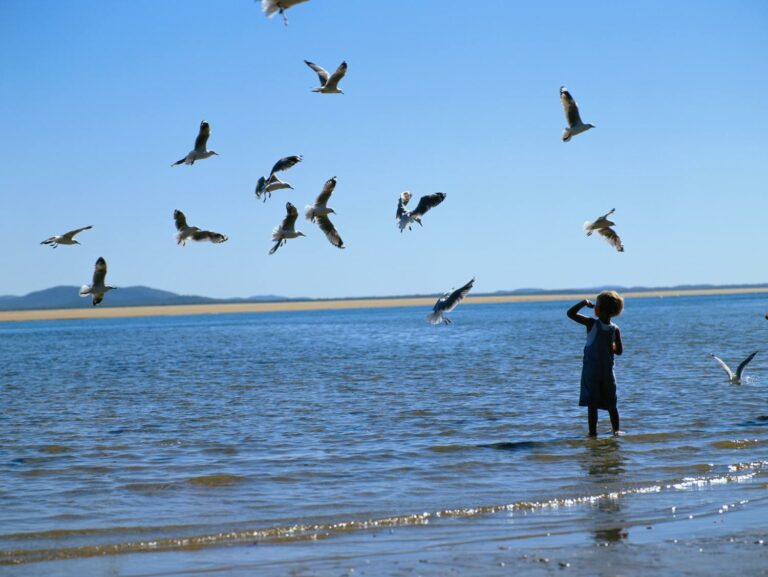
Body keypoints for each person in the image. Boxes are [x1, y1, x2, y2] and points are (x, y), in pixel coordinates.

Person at [567, 291, 624, 436]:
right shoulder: (615, 329)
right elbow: (619, 351)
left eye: (596, 304)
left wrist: (583, 302)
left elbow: (570, 313)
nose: (594, 306)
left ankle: (592, 433)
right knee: (612, 404)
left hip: (591, 372)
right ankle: (616, 431)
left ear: (600, 309)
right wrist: (609, 346)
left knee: (592, 405)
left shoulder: (592, 323)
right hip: (607, 372)